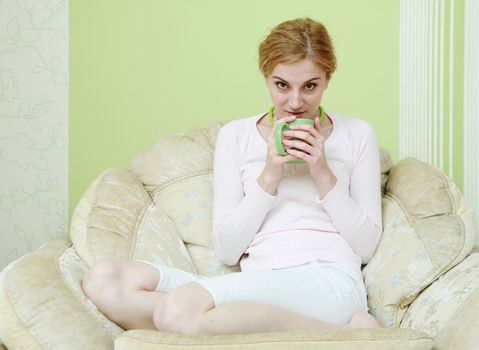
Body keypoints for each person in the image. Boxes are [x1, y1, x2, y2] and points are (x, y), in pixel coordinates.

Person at [81, 17, 382, 335]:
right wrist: (270, 175)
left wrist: (321, 172)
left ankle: (340, 332)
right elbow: (227, 250)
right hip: (258, 282)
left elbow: (366, 247)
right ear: (266, 78)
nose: (295, 102)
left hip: (329, 280)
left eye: (310, 86)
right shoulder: (236, 136)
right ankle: (337, 333)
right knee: (105, 280)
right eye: (282, 85)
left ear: (327, 80)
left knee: (180, 310)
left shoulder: (356, 134)